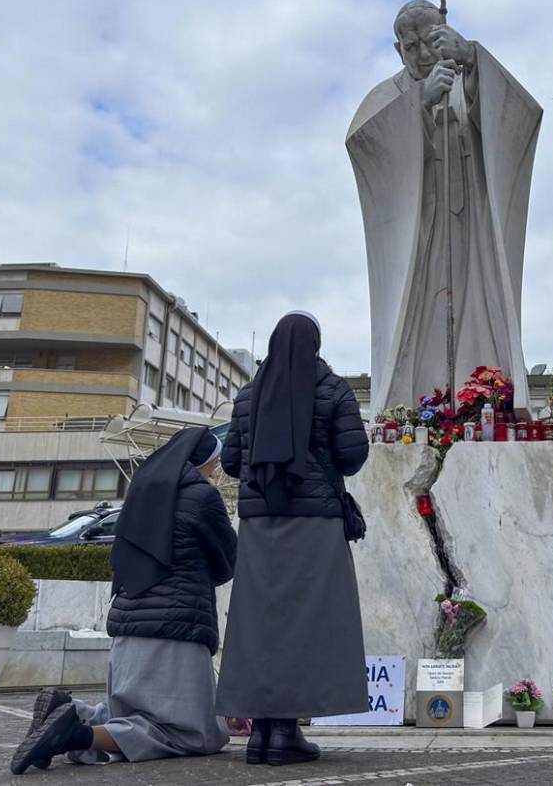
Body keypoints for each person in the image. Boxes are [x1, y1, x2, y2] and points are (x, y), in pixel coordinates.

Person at [347, 0, 542, 415]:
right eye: (410, 45)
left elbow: (520, 116)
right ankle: (416, 404)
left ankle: (482, 398)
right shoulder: (387, 95)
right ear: (398, 49)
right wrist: (416, 104)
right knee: (421, 311)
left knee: (479, 301)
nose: (420, 54)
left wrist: (472, 60)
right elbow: (364, 144)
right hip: (419, 231)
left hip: (472, 225)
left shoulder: (466, 75)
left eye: (429, 42)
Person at [10, 427, 237, 774]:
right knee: (192, 734)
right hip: (176, 632)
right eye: (214, 462)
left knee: (131, 714)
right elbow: (227, 561)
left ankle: (71, 710)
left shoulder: (141, 492)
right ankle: (74, 734)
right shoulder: (201, 496)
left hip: (128, 627)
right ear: (203, 461)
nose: (214, 468)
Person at [216, 311, 370, 766]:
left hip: (261, 523)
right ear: (316, 345)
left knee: (259, 623)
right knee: (308, 624)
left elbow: (229, 463)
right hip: (315, 523)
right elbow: (352, 454)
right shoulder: (334, 390)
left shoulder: (248, 396)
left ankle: (262, 732)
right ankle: (285, 731)